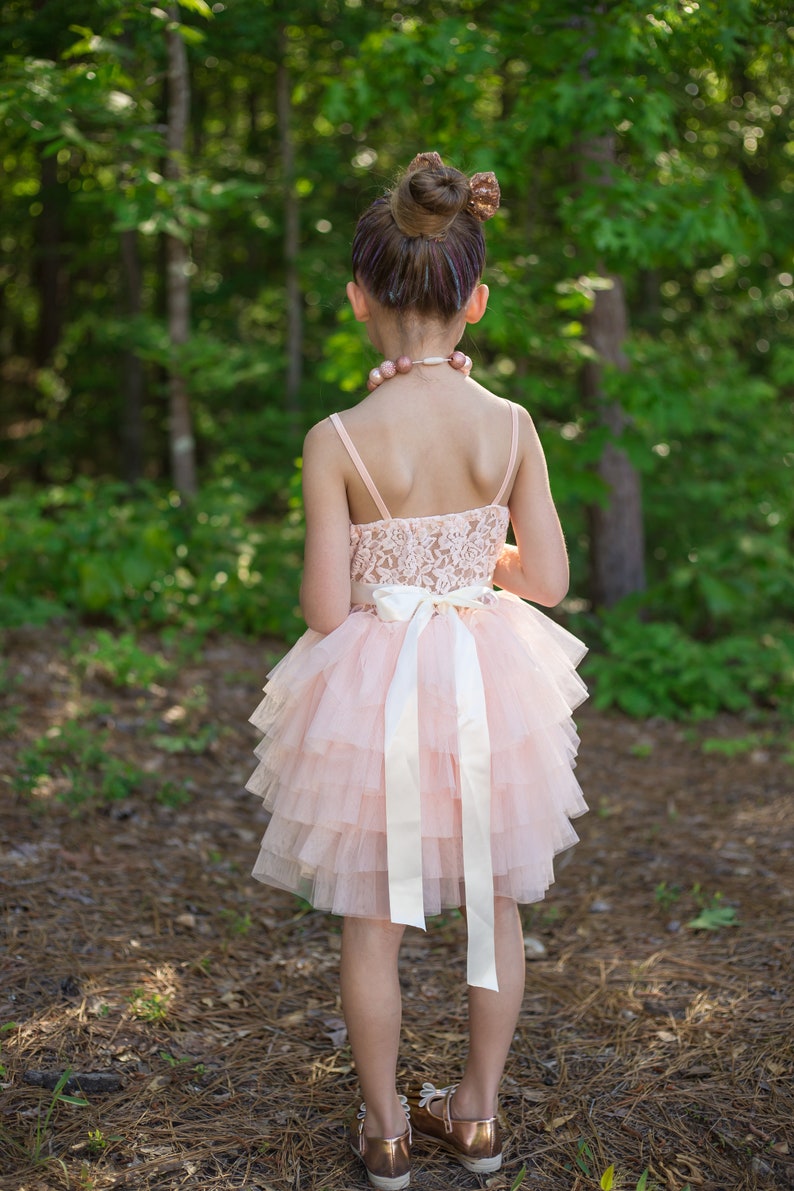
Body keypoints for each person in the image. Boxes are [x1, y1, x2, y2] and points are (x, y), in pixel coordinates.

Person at [246, 151, 588, 1191]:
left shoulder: (335, 438)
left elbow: (318, 608)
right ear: (474, 300)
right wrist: (470, 558)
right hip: (489, 684)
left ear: (358, 301)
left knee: (372, 921)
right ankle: (477, 1117)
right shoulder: (510, 424)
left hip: (375, 697)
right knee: (497, 902)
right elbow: (550, 579)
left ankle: (389, 1128)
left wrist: (387, 562)